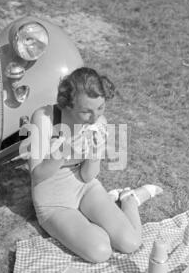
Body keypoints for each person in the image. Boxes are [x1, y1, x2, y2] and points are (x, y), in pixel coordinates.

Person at [28, 67, 162, 263]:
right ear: (68, 104)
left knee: (130, 243)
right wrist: (65, 148)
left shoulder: (99, 123)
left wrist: (95, 152)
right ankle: (94, 221)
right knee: (100, 251)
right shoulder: (45, 118)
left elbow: (87, 176)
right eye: (86, 112)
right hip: (53, 202)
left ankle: (129, 200)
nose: (95, 117)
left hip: (84, 188)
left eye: (100, 108)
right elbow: (37, 175)